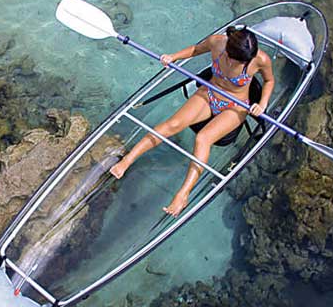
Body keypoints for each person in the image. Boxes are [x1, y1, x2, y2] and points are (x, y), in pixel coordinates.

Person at [110, 26, 275, 217]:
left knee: (203, 139)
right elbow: (195, 50)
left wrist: (262, 104)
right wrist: (173, 56)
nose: (235, 62)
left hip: (235, 105)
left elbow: (269, 81)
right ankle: (128, 159)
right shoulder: (217, 42)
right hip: (210, 92)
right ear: (228, 50)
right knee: (172, 124)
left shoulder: (260, 60)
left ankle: (183, 194)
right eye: (234, 58)